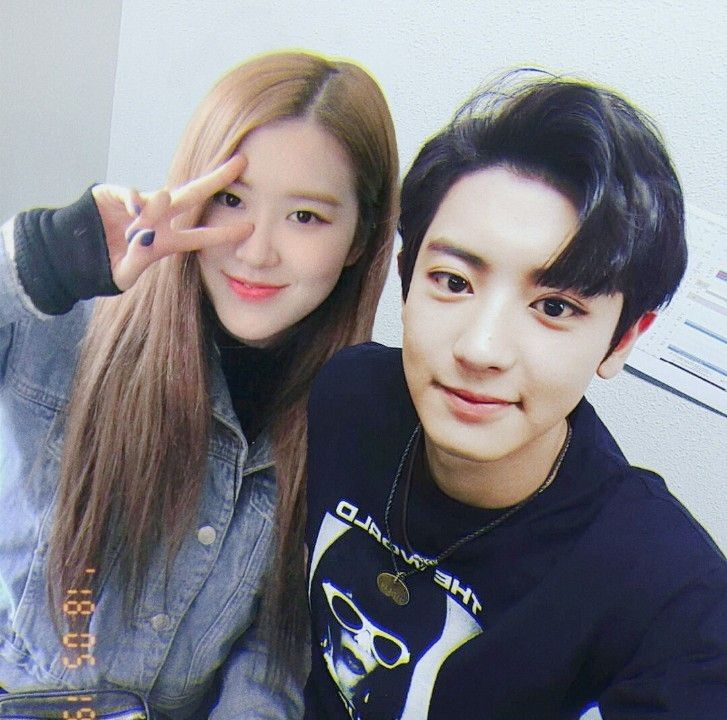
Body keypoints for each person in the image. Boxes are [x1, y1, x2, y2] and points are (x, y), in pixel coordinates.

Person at [304, 70, 727, 719]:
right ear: (406, 280)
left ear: (622, 339)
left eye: (554, 306)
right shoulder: (347, 398)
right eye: (452, 281)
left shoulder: (668, 591)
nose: (480, 349)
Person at [0, 50, 399, 719]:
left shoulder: (351, 421)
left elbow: (274, 653)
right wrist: (49, 255)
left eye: (305, 216)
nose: (256, 250)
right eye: (230, 201)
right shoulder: (65, 322)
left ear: (360, 237)